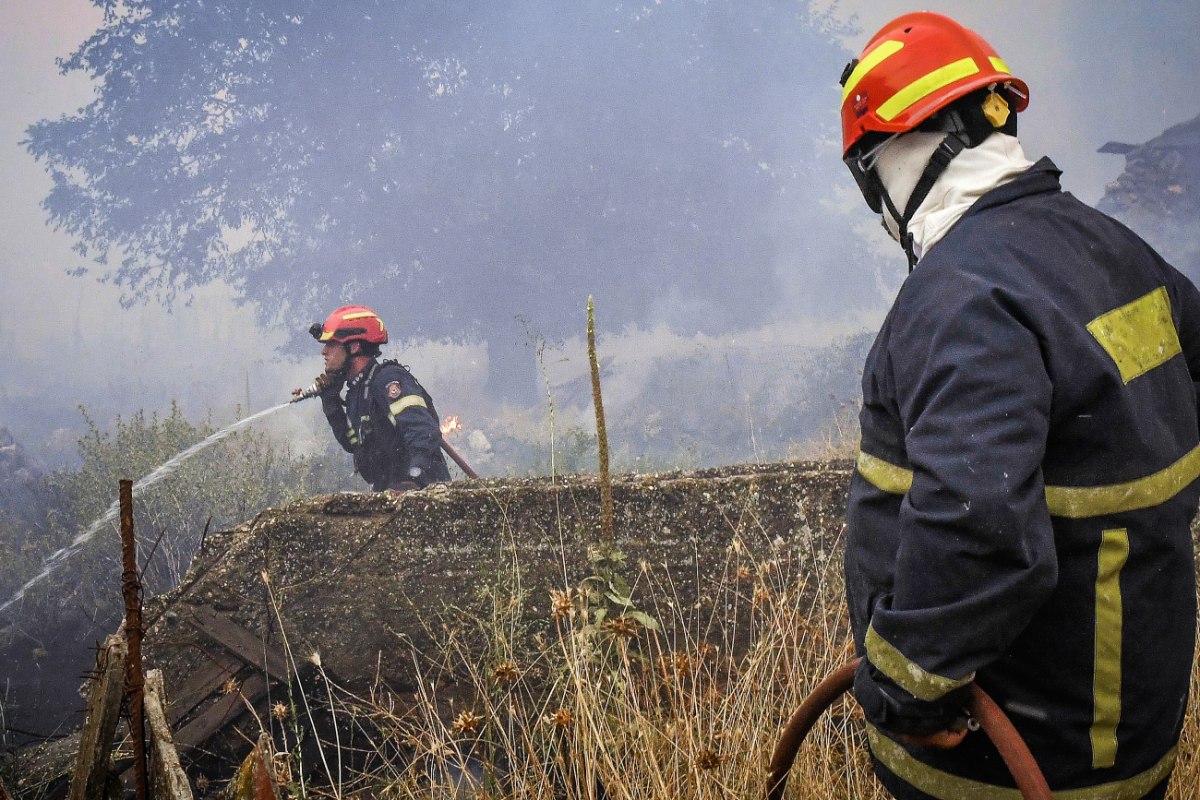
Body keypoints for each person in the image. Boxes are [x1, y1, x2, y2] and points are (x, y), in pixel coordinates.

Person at [838, 11, 1200, 799]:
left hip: (1009, 762)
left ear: (891, 160)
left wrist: (905, 687)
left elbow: (979, 523)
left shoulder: (964, 298)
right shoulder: (1109, 247)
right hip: (1125, 732)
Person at [305, 305, 451, 492]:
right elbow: (352, 443)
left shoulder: (387, 381)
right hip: (388, 490)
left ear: (354, 346)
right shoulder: (358, 391)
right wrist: (330, 401)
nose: (324, 352)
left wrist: (414, 479)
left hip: (423, 492)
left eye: (331, 344)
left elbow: (424, 432)